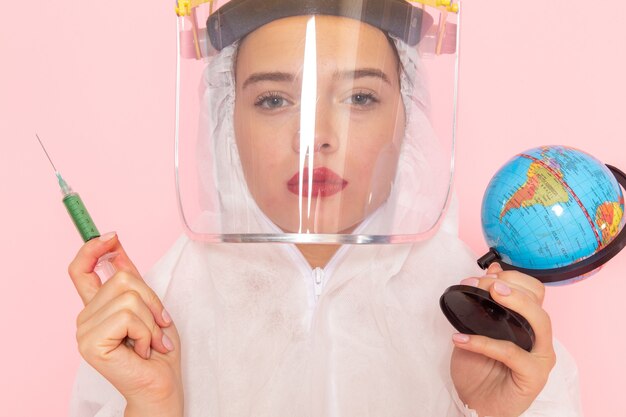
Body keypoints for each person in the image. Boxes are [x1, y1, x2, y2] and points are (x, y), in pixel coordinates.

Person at [68, 1, 583, 416]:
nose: (314, 137)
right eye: (273, 100)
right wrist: (152, 405)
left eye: (360, 97)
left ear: (408, 116)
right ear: (228, 121)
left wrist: (493, 415)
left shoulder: (488, 316)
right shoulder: (157, 311)